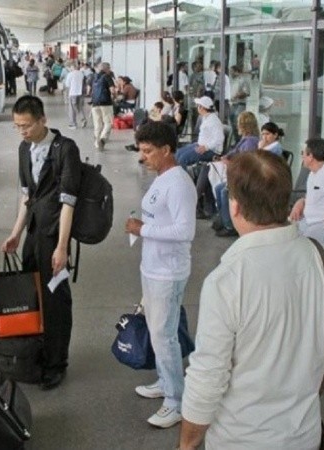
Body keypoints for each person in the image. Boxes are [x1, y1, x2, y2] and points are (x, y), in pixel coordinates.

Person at [179, 150, 324, 449]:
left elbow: (207, 379)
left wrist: (187, 444)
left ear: (236, 207)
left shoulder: (227, 280)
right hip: (304, 436)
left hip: (240, 439)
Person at [1, 95, 81, 390]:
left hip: (53, 235)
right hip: (34, 233)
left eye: (26, 125)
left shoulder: (65, 149)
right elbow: (26, 196)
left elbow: (69, 202)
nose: (22, 131)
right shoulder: (24, 149)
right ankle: (37, 354)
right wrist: (15, 233)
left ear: (43, 120)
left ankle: (57, 362)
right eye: (17, 126)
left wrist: (62, 247)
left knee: (56, 299)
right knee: (32, 295)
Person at [125, 121, 197, 429]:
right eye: (141, 150)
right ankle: (166, 381)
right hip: (153, 267)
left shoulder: (179, 183)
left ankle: (175, 401)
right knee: (158, 332)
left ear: (166, 150)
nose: (142, 157)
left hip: (168, 272)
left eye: (148, 151)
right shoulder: (162, 177)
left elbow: (185, 231)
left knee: (164, 336)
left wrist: (143, 229)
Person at [175, 96, 225, 168]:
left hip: (211, 151)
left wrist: (206, 147)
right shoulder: (205, 117)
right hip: (200, 145)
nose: (197, 108)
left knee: (183, 159)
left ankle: (183, 178)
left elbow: (220, 138)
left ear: (202, 108)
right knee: (178, 153)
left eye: (198, 106)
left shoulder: (214, 121)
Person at [91, 62, 115, 151]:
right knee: (108, 122)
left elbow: (90, 90)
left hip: (95, 104)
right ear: (106, 69)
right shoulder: (107, 77)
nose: (110, 70)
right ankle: (103, 139)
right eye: (109, 68)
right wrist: (114, 96)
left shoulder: (94, 77)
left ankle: (97, 143)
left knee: (97, 124)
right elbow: (112, 90)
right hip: (106, 103)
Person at [228, 65, 250, 142]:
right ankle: (236, 140)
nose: (230, 73)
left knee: (238, 121)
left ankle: (241, 140)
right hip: (233, 104)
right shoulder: (233, 80)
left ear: (237, 71)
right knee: (232, 121)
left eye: (232, 71)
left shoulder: (242, 80)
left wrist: (238, 95)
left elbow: (246, 92)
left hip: (240, 104)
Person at [64, 62, 88, 129]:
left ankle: (73, 124)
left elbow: (67, 85)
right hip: (81, 93)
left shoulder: (70, 74)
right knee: (79, 107)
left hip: (73, 93)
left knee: (72, 108)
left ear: (72, 67)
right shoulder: (81, 74)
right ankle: (82, 119)